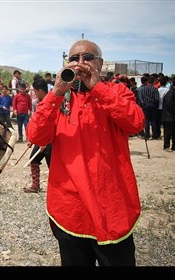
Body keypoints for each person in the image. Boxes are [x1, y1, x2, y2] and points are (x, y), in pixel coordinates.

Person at [26, 39, 145, 266]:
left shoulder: (117, 91)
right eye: (73, 58)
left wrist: (97, 88)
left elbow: (136, 123)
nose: (80, 62)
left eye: (88, 57)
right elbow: (36, 137)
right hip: (71, 209)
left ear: (100, 63)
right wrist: (56, 95)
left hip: (112, 208)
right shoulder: (59, 99)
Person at [23, 77, 51, 193]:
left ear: (40, 90)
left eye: (34, 91)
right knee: (33, 160)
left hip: (50, 140)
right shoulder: (41, 103)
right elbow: (38, 123)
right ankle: (35, 186)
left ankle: (57, 189)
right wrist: (32, 139)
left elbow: (51, 123)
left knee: (53, 166)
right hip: (41, 140)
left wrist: (45, 142)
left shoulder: (51, 102)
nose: (34, 94)